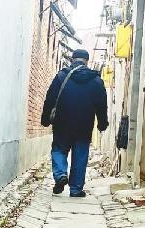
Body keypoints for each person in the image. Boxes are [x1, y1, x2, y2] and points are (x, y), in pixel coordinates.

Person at [41, 49, 108, 197]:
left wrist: (45, 119)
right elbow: (102, 105)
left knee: (59, 149)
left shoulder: (61, 76)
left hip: (62, 123)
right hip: (84, 125)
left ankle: (60, 175)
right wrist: (102, 123)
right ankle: (76, 189)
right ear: (87, 61)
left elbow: (50, 98)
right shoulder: (96, 81)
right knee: (80, 155)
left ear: (72, 60)